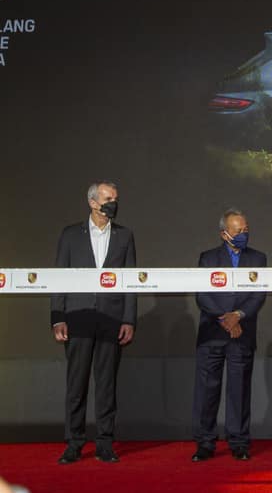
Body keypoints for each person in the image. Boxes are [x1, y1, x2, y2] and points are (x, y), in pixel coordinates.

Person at [51, 181, 137, 465]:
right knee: (76, 384)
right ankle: (74, 443)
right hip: (78, 317)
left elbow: (131, 280)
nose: (114, 202)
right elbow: (58, 276)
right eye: (108, 198)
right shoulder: (70, 235)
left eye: (115, 198)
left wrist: (129, 319)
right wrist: (58, 317)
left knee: (106, 385)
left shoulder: (125, 236)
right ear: (92, 202)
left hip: (112, 319)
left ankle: (105, 443)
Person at [191, 208, 267, 462]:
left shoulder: (258, 258)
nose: (244, 234)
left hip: (242, 332)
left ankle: (239, 442)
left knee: (239, 390)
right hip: (212, 332)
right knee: (207, 390)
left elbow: (258, 295)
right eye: (238, 231)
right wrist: (225, 318)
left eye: (246, 230)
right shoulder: (208, 258)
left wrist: (238, 316)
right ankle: (205, 442)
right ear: (225, 234)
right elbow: (202, 295)